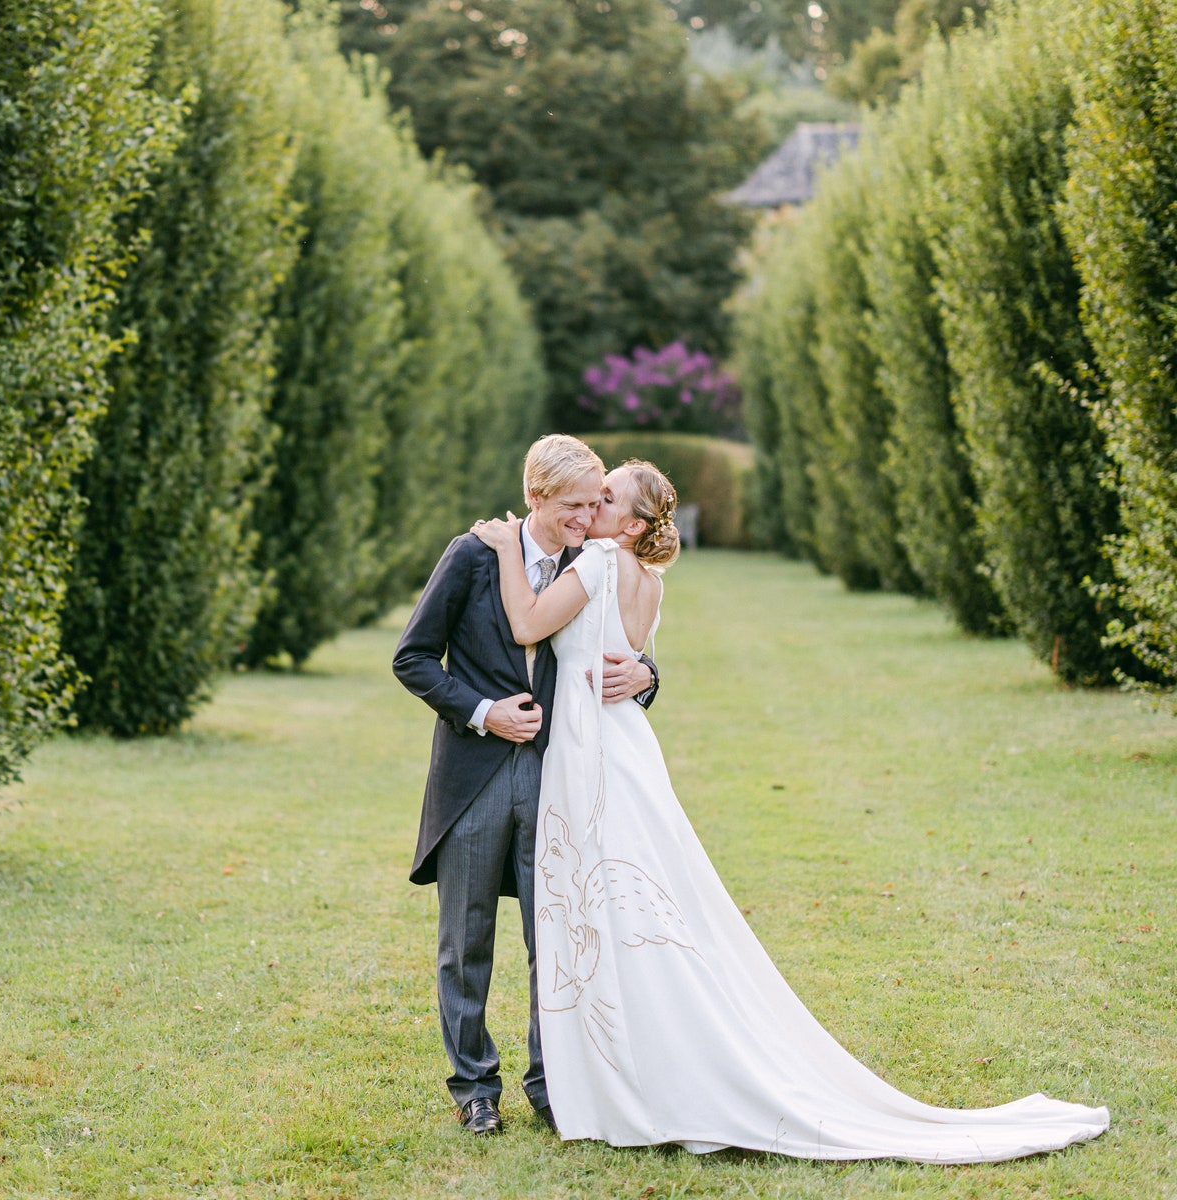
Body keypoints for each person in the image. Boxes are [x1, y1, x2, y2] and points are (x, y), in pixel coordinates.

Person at [469, 457, 1110, 1162]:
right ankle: (609, 1066)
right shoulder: (649, 582)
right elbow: (629, 655)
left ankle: (627, 1076)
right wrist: (644, 671)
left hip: (593, 756)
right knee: (636, 910)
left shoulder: (594, 563)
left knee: (609, 911)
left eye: (606, 497)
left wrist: (504, 549)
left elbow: (528, 625)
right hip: (626, 752)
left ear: (629, 521)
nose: (591, 506)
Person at [391, 435, 658, 1137]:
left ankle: (551, 1081)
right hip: (473, 779)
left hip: (558, 780)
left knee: (561, 937)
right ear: (534, 497)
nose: (586, 515)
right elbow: (413, 657)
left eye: (593, 503)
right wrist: (484, 712)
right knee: (466, 939)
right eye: (572, 505)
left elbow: (626, 648)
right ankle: (474, 1086)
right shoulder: (473, 555)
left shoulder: (592, 558)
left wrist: (649, 677)